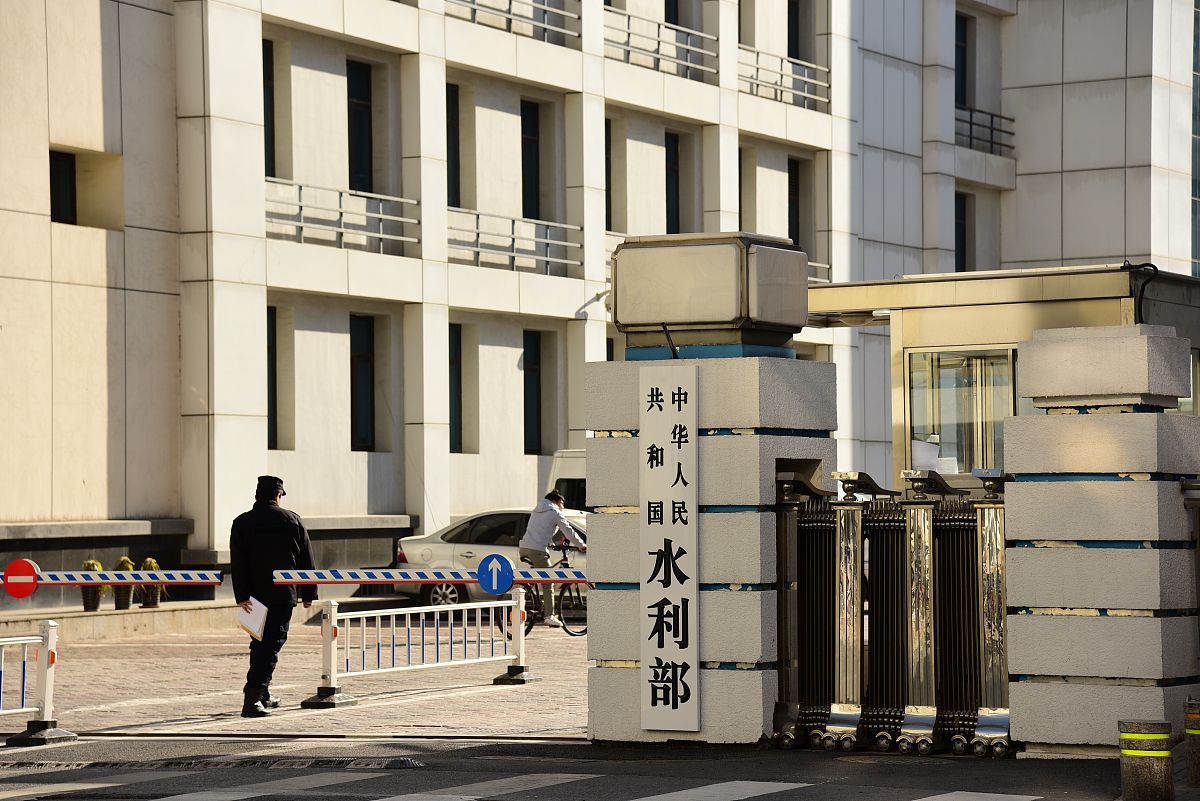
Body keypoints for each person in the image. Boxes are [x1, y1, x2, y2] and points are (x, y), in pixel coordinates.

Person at [230, 475, 318, 718]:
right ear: (278, 496)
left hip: (253, 597)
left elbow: (238, 564)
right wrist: (309, 593)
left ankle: (264, 694)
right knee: (271, 644)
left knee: (259, 642)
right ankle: (253, 697)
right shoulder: (292, 520)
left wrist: (241, 596)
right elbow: (306, 561)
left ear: (257, 496)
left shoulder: (241, 523)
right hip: (282, 594)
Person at [518, 490, 586, 627]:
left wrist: (551, 544)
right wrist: (581, 545)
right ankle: (549, 616)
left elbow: (540, 530)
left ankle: (529, 596)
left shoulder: (536, 511)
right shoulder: (554, 512)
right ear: (556, 501)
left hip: (524, 547)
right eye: (562, 503)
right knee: (548, 581)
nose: (562, 506)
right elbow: (568, 530)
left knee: (538, 576)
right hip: (537, 550)